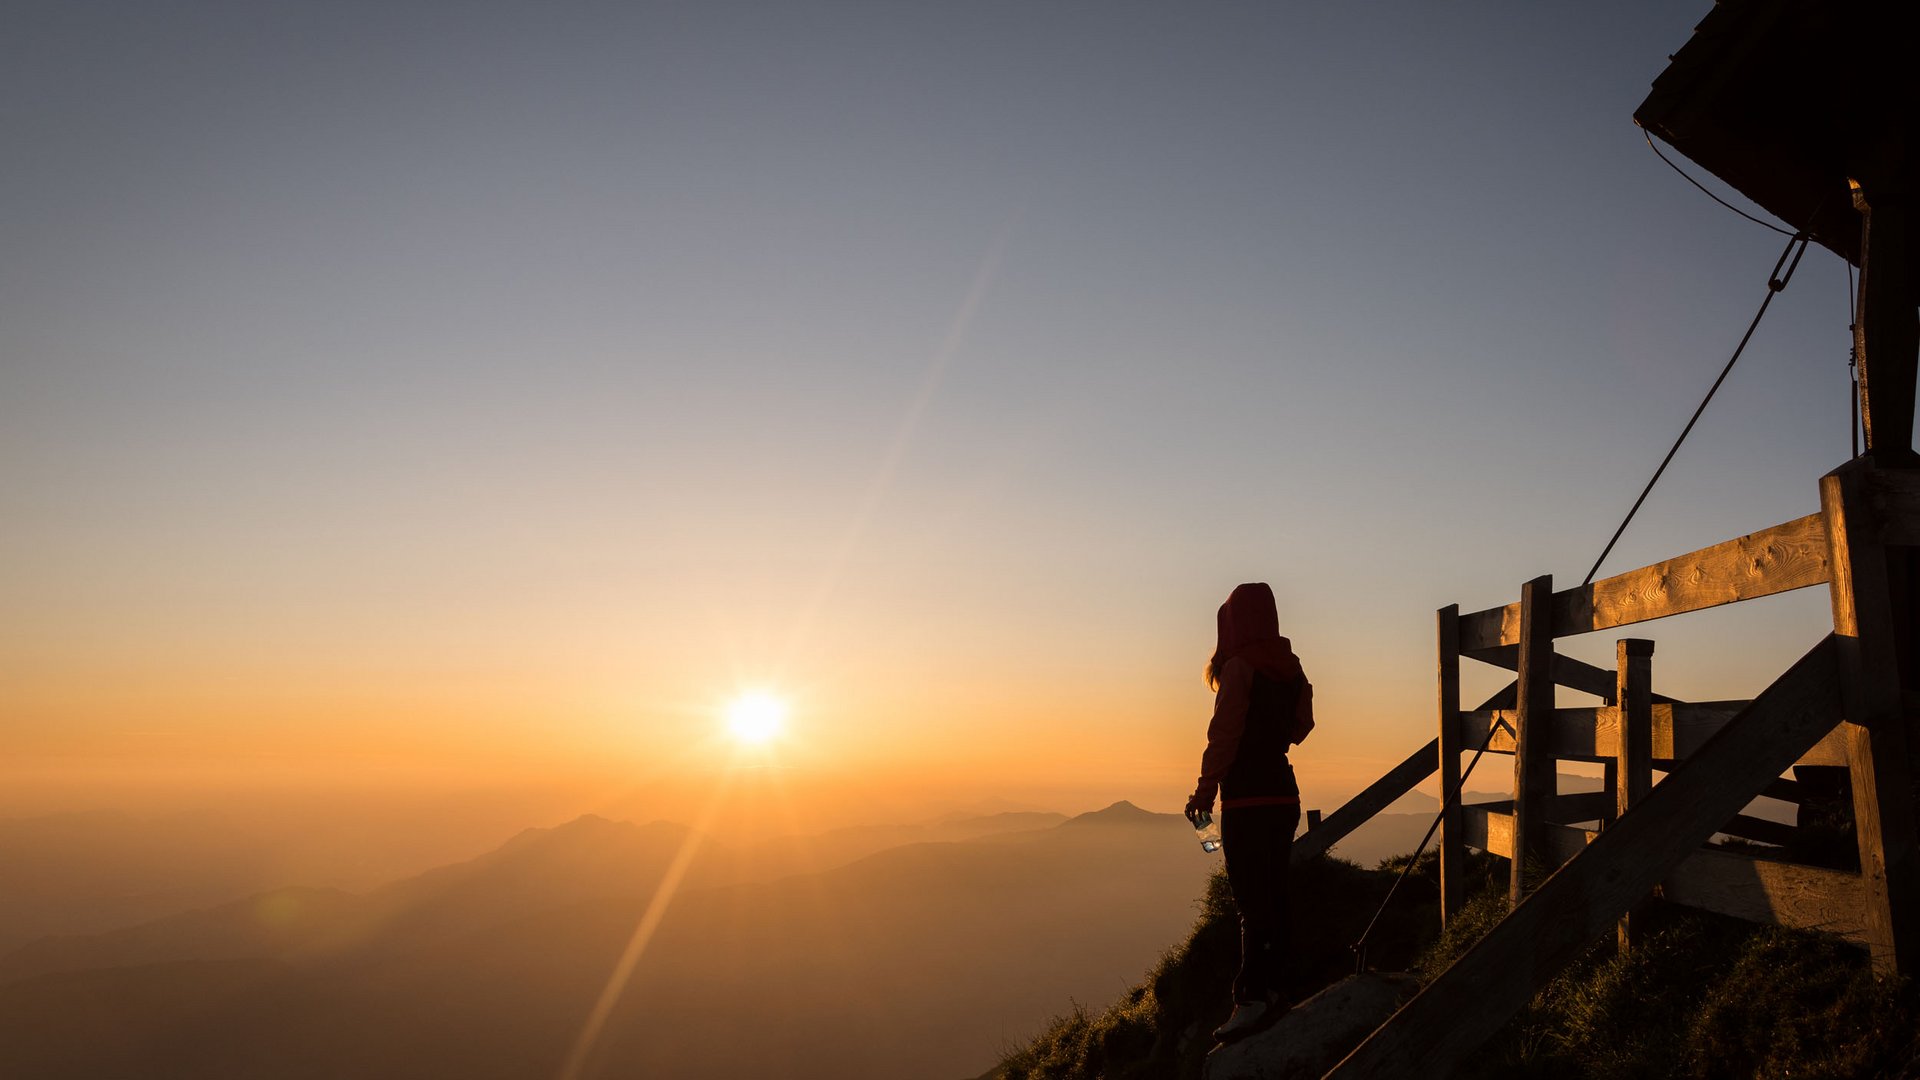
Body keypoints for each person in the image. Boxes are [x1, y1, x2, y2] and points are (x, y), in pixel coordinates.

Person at [1184, 581, 1314, 1044]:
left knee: (1250, 901)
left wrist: (1204, 793)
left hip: (1246, 801)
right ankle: (1278, 986)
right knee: (1275, 892)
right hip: (1283, 797)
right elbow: (1302, 727)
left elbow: (1224, 736)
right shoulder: (1293, 670)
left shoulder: (1239, 669)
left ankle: (1253, 998)